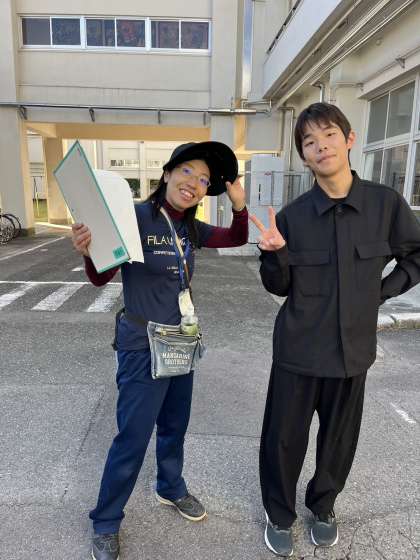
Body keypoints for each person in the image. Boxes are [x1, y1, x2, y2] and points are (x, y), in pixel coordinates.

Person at [249, 103, 420, 557]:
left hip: (352, 351)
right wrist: (273, 254)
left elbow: (416, 254)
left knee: (339, 440)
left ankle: (323, 507)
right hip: (298, 350)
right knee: (283, 439)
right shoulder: (293, 217)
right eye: (309, 141)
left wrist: (381, 292)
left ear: (349, 140)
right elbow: (278, 286)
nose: (320, 146)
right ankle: (279, 513)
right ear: (304, 156)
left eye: (328, 135)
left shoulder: (385, 205)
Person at [71, 141, 248, 560]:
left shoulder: (191, 228)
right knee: (133, 437)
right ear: (167, 173)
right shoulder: (134, 217)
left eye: (203, 179)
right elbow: (101, 276)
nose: (194, 183)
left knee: (174, 425)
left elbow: (236, 237)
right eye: (187, 171)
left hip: (180, 341)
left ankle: (170, 486)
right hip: (141, 345)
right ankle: (106, 520)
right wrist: (89, 251)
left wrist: (239, 205)